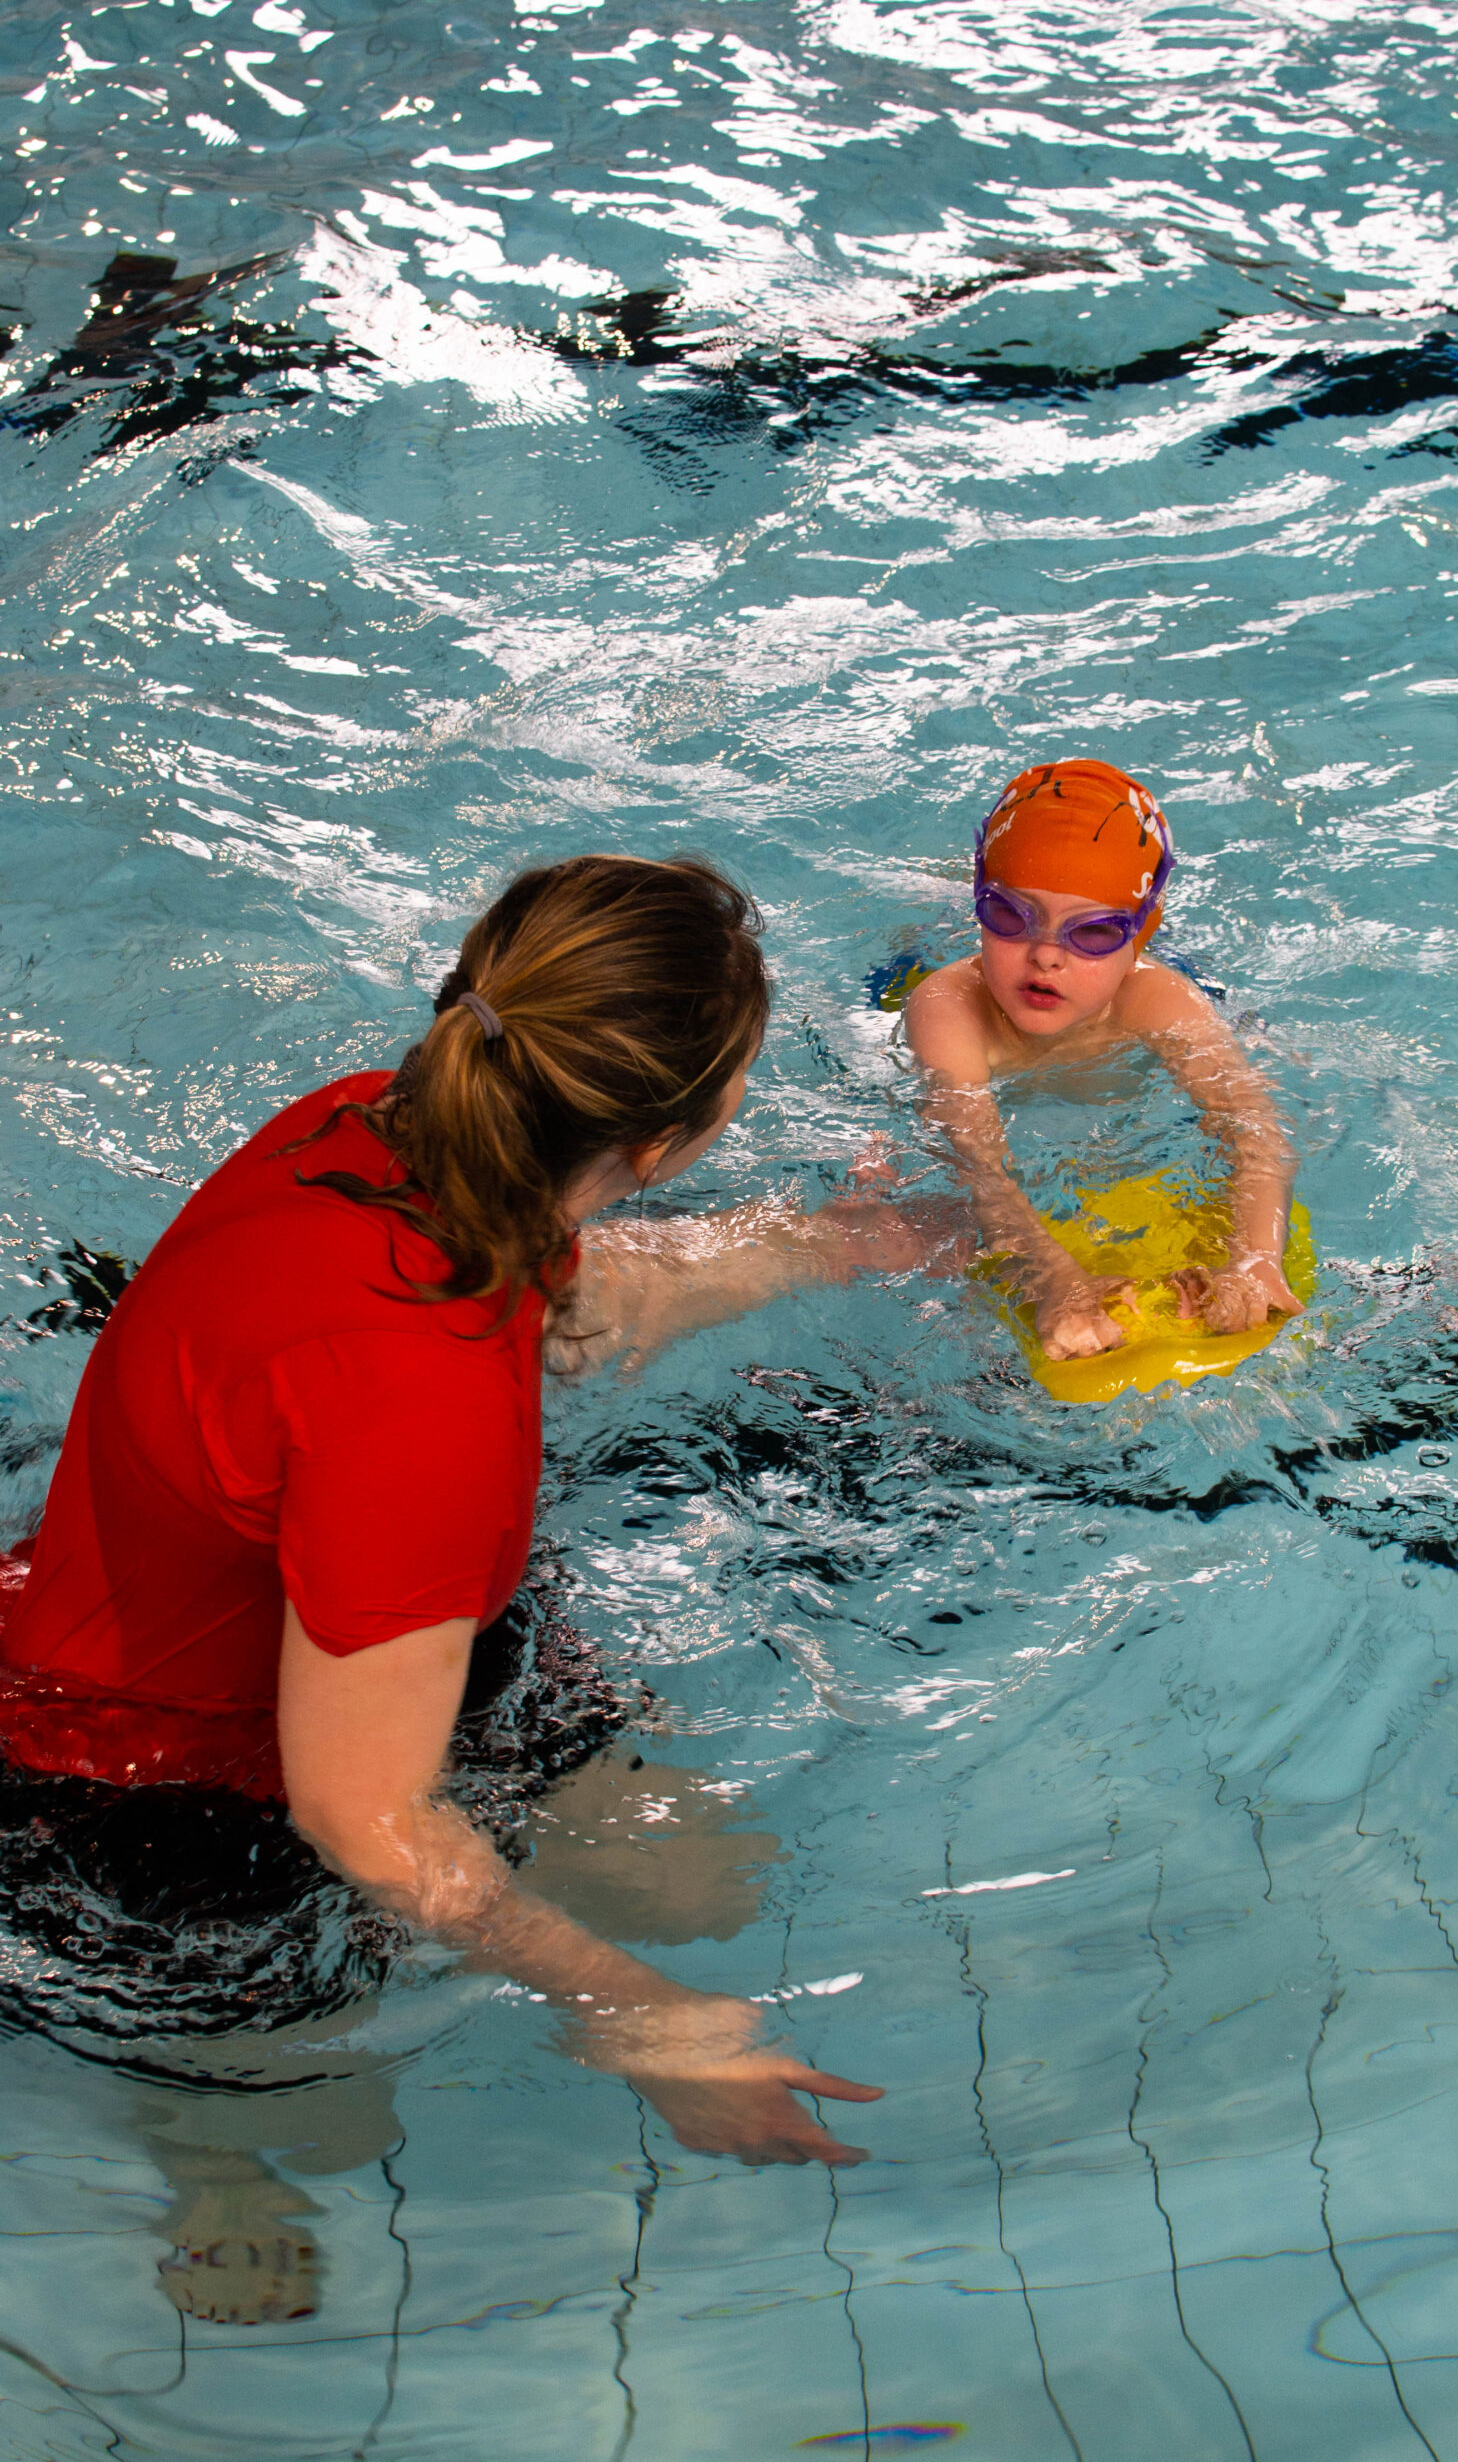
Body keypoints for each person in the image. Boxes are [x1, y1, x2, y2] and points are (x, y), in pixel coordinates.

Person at [1, 855, 937, 2237]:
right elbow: (362, 1822)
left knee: (705, 1880)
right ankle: (202, 2151)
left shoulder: (373, 1130)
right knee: (323, 2120)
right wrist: (638, 2022)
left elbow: (576, 1291)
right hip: (131, 1792)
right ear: (679, 1136)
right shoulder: (415, 1416)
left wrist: (847, 1244)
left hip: (302, 1621)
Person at [903, 759, 1301, 1361]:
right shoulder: (948, 1006)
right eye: (1010, 914)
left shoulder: (1155, 999)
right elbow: (975, 1161)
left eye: (1091, 933)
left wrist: (1254, 1260)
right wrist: (1048, 1274)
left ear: (1139, 936)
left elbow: (1252, 1127)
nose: (1045, 956)